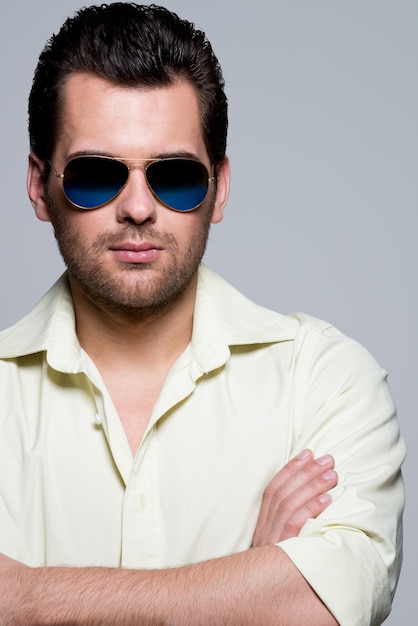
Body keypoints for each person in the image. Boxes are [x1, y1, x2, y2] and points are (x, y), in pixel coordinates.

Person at [0, 3, 405, 625]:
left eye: (177, 177)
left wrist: (27, 598)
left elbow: (314, 609)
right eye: (94, 175)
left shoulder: (323, 381)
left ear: (219, 188)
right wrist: (245, 585)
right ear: (38, 186)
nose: (137, 207)